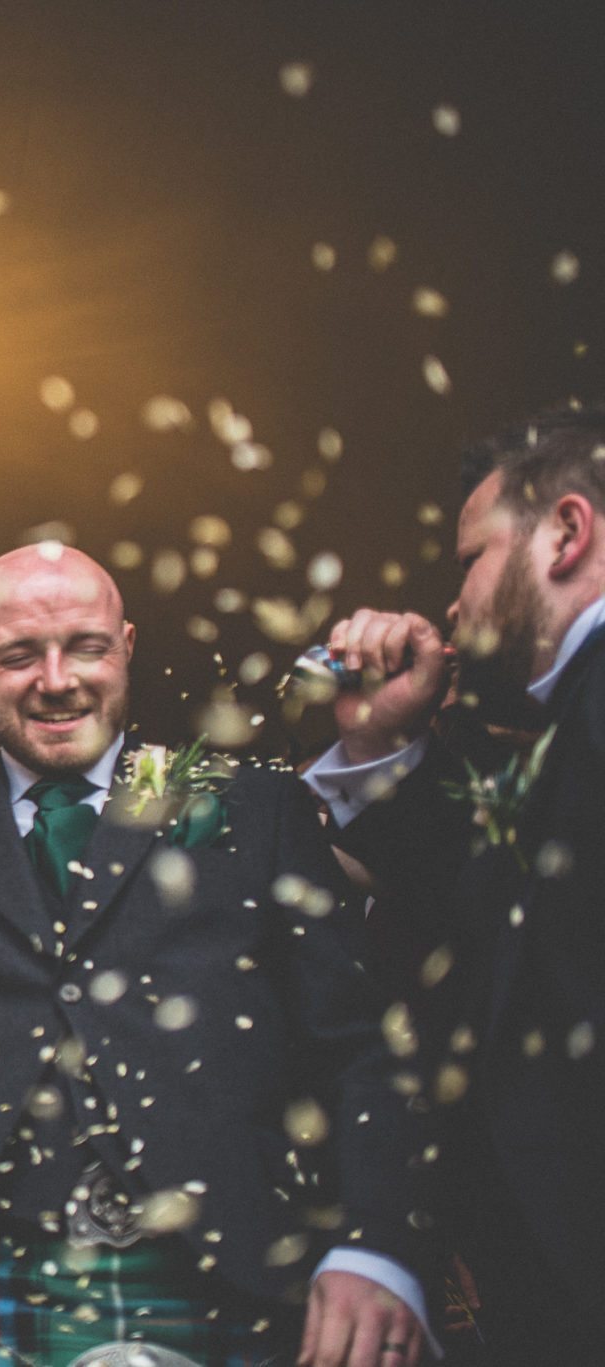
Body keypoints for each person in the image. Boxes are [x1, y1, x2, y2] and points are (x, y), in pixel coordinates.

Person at [0, 544, 434, 1367]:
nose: (56, 679)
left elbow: (357, 1047)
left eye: (86, 646)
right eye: (18, 655)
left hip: (233, 1282)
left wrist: (376, 1245)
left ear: (127, 645)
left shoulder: (253, 811)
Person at [303, 402, 605, 1359]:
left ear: (567, 530)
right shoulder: (570, 733)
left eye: (473, 557)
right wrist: (384, 739)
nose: (457, 600)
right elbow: (506, 918)